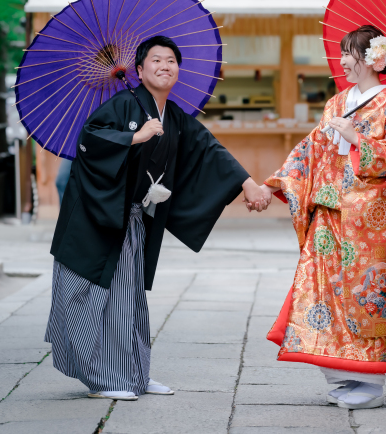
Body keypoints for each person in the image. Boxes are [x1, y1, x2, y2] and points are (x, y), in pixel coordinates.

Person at [46, 35, 271, 401]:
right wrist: (135, 137)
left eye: (171, 60)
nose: (165, 65)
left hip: (132, 220)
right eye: (156, 59)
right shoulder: (122, 104)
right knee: (95, 298)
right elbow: (90, 141)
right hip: (96, 221)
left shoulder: (175, 116)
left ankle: (134, 375)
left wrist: (248, 184)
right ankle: (103, 379)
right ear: (138, 70)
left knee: (130, 299)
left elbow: (208, 149)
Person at [256, 25, 386, 410]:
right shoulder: (337, 102)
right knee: (323, 288)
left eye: (349, 53)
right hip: (329, 211)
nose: (342, 61)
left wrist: (358, 138)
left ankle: (371, 383)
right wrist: (273, 184)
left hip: (369, 219)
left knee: (368, 293)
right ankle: (340, 372)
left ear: (372, 59)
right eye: (343, 53)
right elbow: (312, 149)